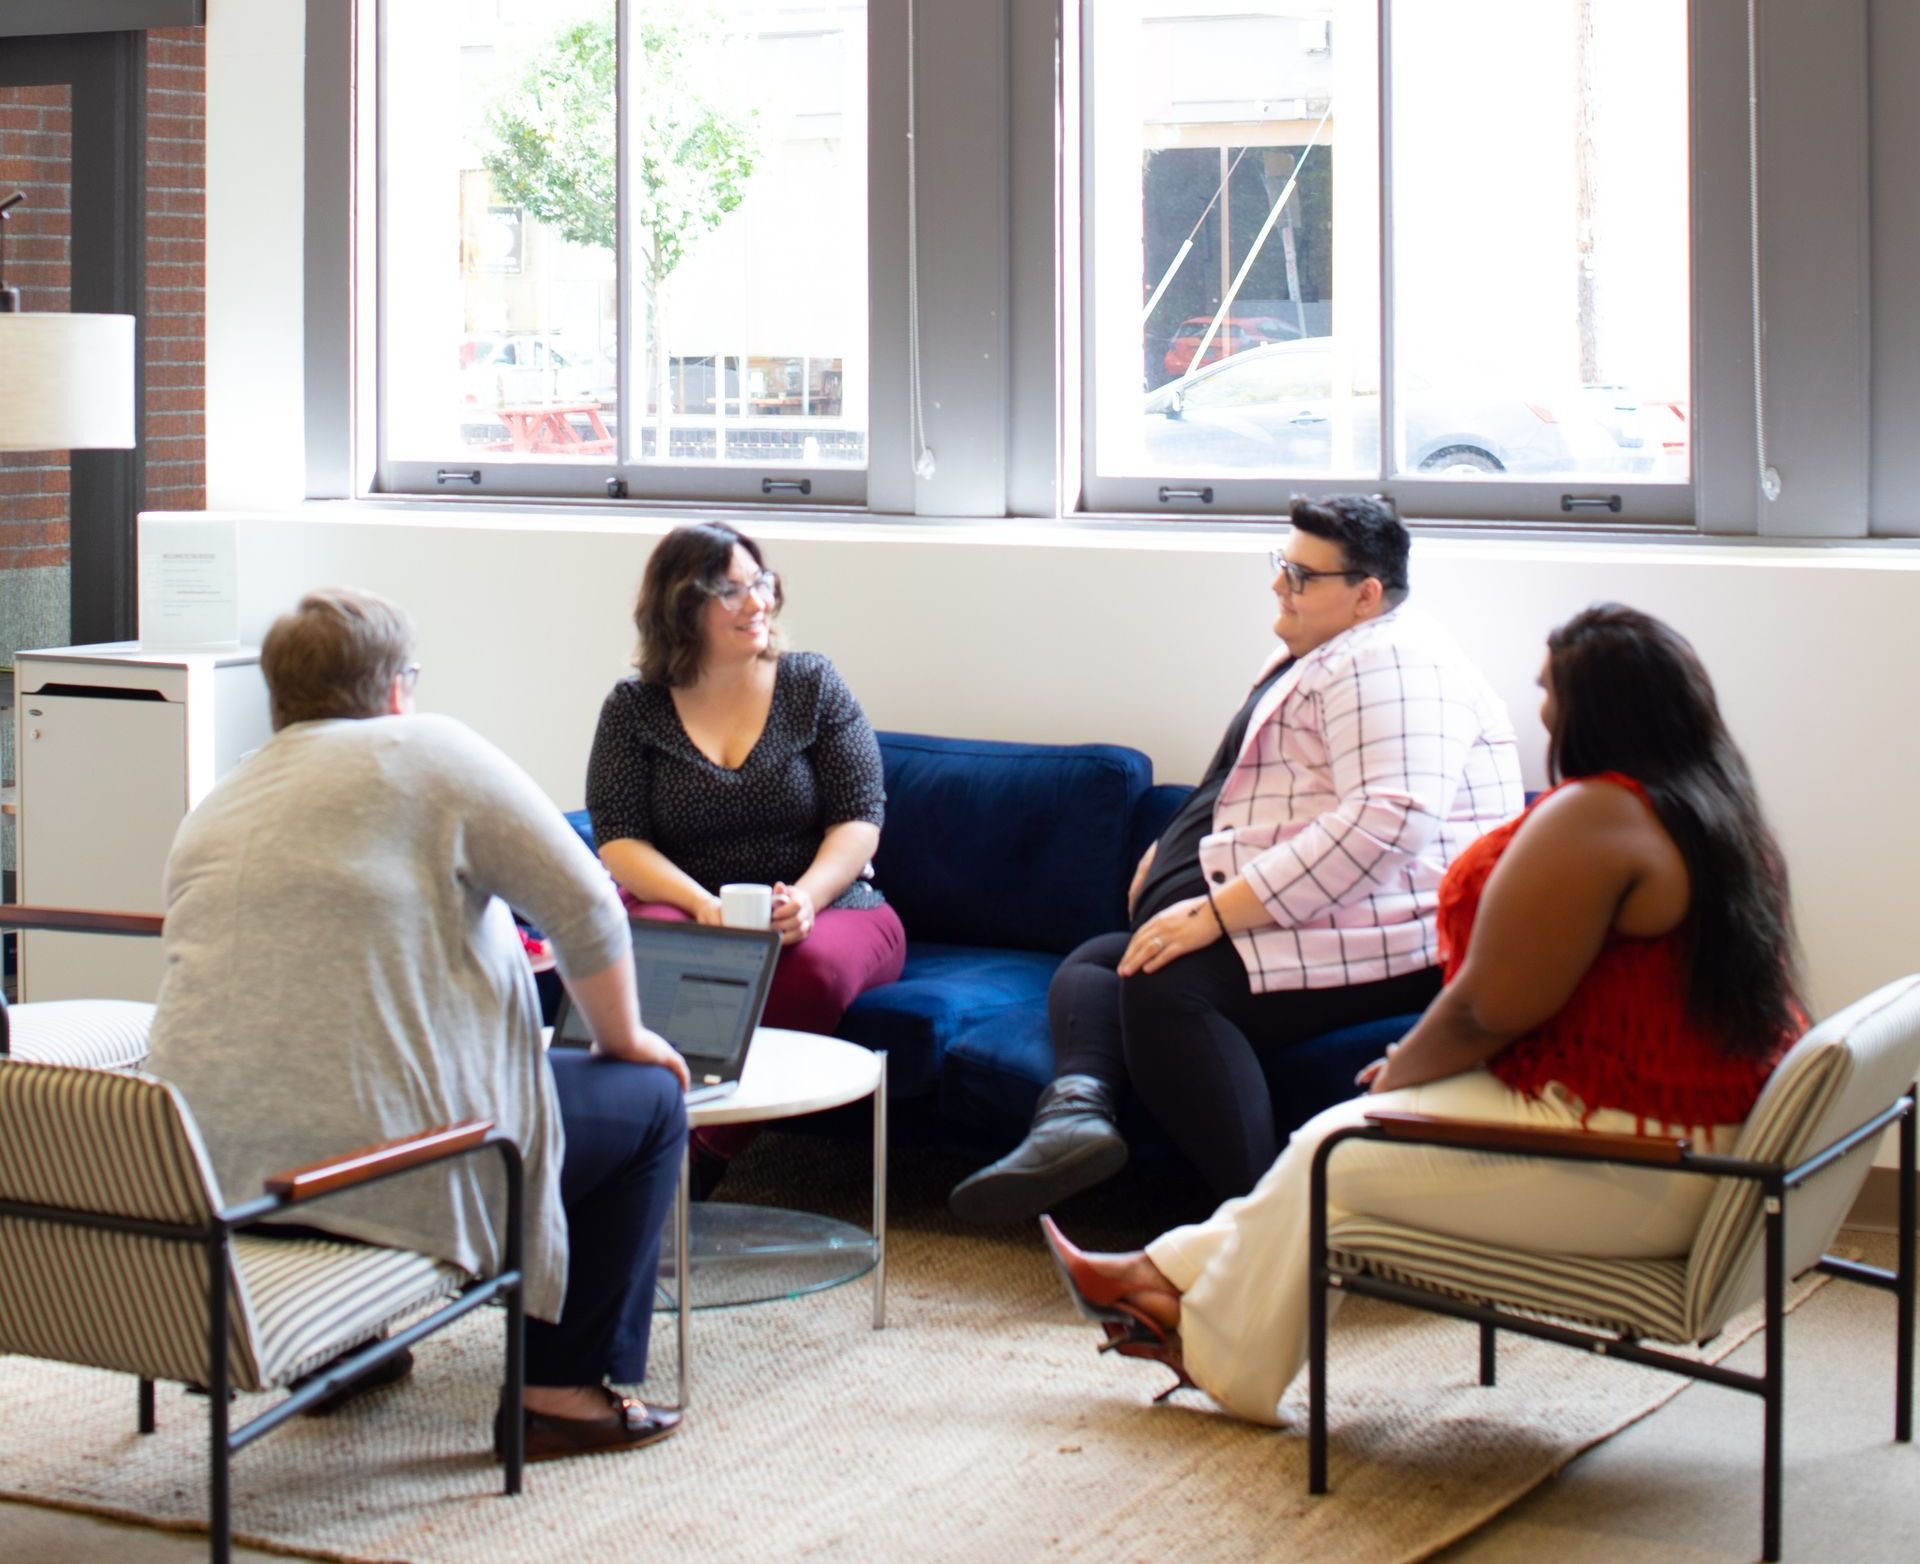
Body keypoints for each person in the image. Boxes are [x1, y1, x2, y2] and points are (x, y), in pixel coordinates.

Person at [1040, 604, 1805, 1425]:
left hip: (1642, 1152)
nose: (1540, 707)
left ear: (1598, 706)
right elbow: (1571, 992)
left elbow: (1485, 1008)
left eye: (1549, 689)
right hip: (1683, 1125)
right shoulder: (1714, 807)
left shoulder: (1601, 816)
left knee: (1340, 1151)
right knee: (1334, 1146)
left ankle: (1205, 1339)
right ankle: (1161, 1283)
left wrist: (1403, 1073)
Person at [146, 588, 691, 1462]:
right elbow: (588, 904)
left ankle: (345, 1350)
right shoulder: (429, 749)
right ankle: (558, 1390)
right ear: (399, 687)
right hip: (381, 1175)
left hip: (214, 1176)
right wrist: (626, 1038)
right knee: (647, 1103)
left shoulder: (222, 798)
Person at [950, 495, 1525, 1224]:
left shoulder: (1395, 664)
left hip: (1400, 935)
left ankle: (1260, 1227)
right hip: (1340, 915)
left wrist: (1218, 910)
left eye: (1300, 574)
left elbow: (1389, 823)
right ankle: (1075, 1117)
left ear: (1365, 594)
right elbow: (1267, 787)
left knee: (1167, 987)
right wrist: (1175, 848)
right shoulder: (1326, 651)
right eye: (1280, 565)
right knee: (1101, 960)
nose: (1279, 585)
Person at [586, 522, 906, 1190]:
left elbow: (859, 817)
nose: (757, 603)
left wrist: (808, 899)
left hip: (834, 904)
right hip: (686, 901)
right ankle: (638, 1139)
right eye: (730, 591)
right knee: (660, 956)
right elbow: (618, 837)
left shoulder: (810, 683)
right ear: (682, 607)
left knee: (808, 969)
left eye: (760, 582)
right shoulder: (634, 708)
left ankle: (698, 1153)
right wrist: (701, 904)